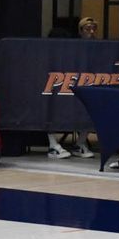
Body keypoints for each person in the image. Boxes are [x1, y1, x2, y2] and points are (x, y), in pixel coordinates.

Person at [47, 16, 98, 160]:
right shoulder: (65, 51)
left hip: (81, 89)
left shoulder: (99, 49)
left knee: (91, 107)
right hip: (61, 91)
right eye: (87, 29)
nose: (92, 32)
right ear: (80, 31)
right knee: (48, 108)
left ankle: (79, 144)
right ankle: (52, 145)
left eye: (94, 28)